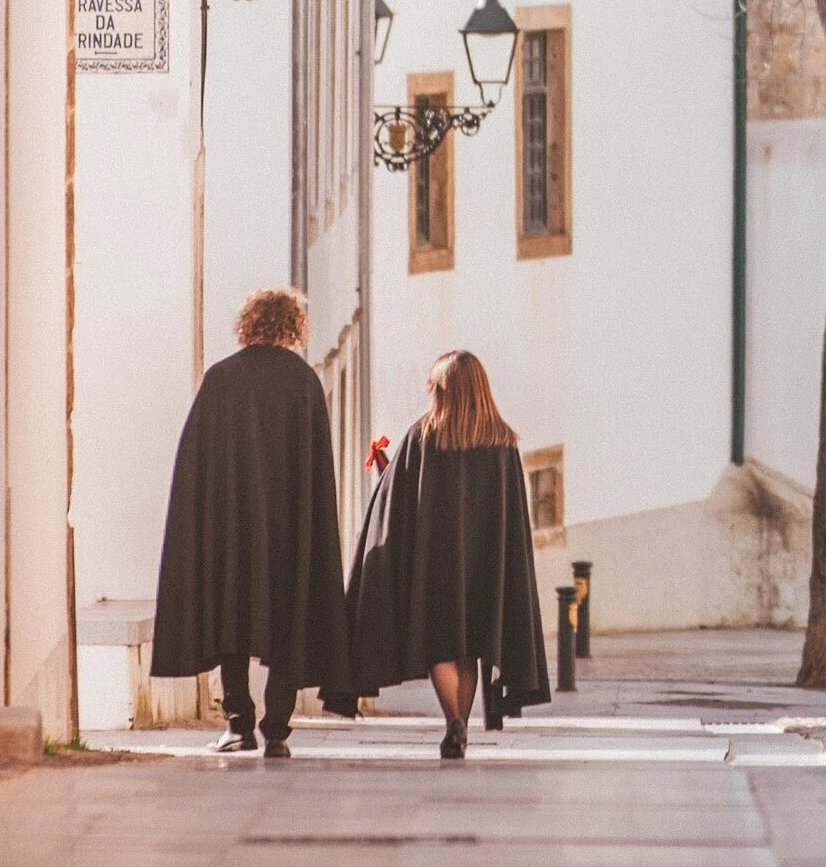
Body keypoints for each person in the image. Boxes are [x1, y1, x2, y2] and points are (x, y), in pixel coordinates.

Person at [148, 288, 350, 757]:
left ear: (248, 324)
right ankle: (277, 729)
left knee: (231, 620)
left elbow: (195, 461)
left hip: (231, 525)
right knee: (287, 622)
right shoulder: (303, 381)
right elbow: (317, 468)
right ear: (293, 326)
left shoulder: (221, 379)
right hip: (289, 529)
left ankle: (239, 722)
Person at [326, 350, 549, 759]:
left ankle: (454, 722)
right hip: (485, 567)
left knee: (440, 648)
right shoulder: (502, 442)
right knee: (469, 652)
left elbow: (396, 498)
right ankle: (459, 723)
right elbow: (511, 516)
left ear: (442, 390)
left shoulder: (424, 436)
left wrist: (381, 468)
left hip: (436, 566)